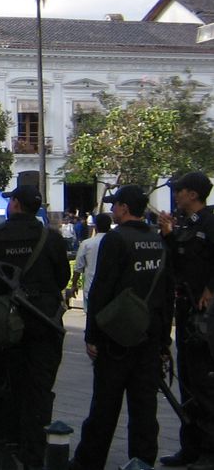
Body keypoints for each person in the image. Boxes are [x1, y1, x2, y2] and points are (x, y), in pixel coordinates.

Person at [0, 184, 70, 470]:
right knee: (38, 392)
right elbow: (62, 277)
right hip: (44, 322)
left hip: (5, 325)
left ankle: (6, 447)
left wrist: (0, 284)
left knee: (5, 385)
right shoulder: (50, 237)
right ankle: (33, 455)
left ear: (14, 204)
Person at [70, 185, 171, 470]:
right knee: (144, 407)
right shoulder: (158, 240)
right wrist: (164, 342)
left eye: (115, 205)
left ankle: (89, 461)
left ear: (125, 208)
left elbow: (102, 289)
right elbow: (166, 293)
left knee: (105, 405)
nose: (113, 210)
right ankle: (142, 460)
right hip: (149, 335)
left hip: (116, 338)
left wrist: (92, 335)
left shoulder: (115, 240)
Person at [157, 172, 214, 469]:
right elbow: (177, 263)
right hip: (185, 310)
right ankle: (189, 447)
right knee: (189, 382)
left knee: (205, 382)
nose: (176, 195)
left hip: (205, 314)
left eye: (179, 191)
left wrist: (210, 289)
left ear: (193, 194)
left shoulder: (209, 222)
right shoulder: (185, 224)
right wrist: (168, 234)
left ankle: (209, 450)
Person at [68, 213, 111, 311]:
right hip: (110, 289)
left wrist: (74, 285)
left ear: (95, 226)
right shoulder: (117, 243)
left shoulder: (87, 244)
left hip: (91, 289)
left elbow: (78, 267)